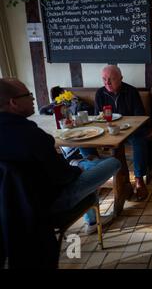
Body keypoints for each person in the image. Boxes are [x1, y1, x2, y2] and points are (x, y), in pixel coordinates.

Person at [0, 78, 121, 235]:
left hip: (10, 209)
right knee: (113, 162)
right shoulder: (31, 135)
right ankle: (84, 168)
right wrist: (78, 171)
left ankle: (92, 220)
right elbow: (63, 176)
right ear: (13, 103)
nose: (33, 98)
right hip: (50, 204)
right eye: (28, 95)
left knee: (86, 168)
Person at [79, 65, 149, 201]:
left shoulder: (131, 92)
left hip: (130, 131)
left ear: (121, 78)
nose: (107, 83)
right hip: (108, 131)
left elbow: (140, 116)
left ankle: (139, 179)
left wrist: (125, 124)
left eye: (111, 79)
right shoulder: (100, 93)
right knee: (83, 143)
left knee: (139, 140)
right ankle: (97, 174)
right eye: (104, 79)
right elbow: (98, 118)